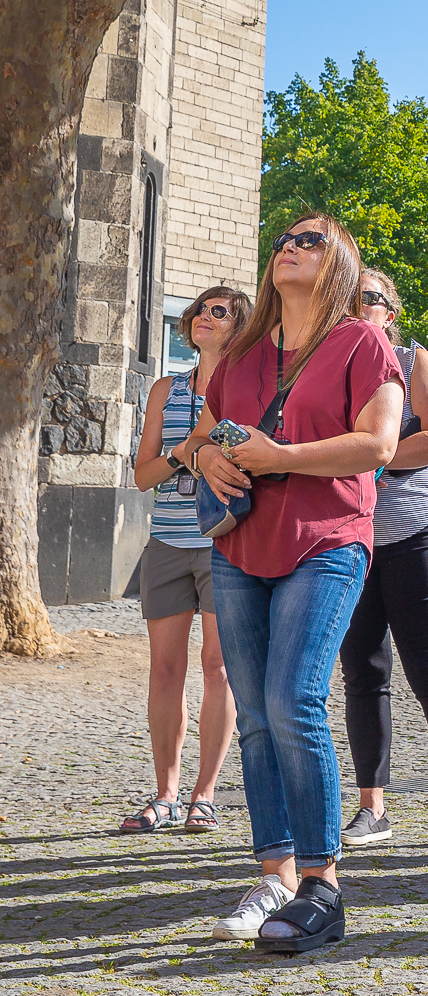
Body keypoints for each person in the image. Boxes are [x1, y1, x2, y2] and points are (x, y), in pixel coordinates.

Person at [183, 214, 404, 949]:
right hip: (240, 546)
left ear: (340, 261)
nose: (290, 247)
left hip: (327, 541)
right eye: (283, 238)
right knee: (253, 714)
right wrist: (208, 458)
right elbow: (208, 430)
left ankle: (322, 886)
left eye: (310, 240)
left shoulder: (360, 342)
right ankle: (274, 874)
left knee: (292, 698)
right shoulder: (245, 350)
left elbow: (377, 443)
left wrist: (278, 456)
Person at [339, 268, 428, 853]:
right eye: (351, 298)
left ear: (390, 312)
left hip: (413, 529)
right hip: (346, 533)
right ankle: (373, 808)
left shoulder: (410, 357)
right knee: (362, 671)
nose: (361, 306)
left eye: (373, 298)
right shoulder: (323, 363)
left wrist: (366, 454)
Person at [121, 286, 250, 834]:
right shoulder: (165, 391)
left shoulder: (247, 389)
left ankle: (205, 793)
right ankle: (166, 792)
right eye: (199, 309)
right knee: (165, 669)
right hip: (168, 542)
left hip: (224, 542)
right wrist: (188, 451)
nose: (202, 317)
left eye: (217, 311)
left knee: (218, 668)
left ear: (238, 325)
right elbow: (143, 475)